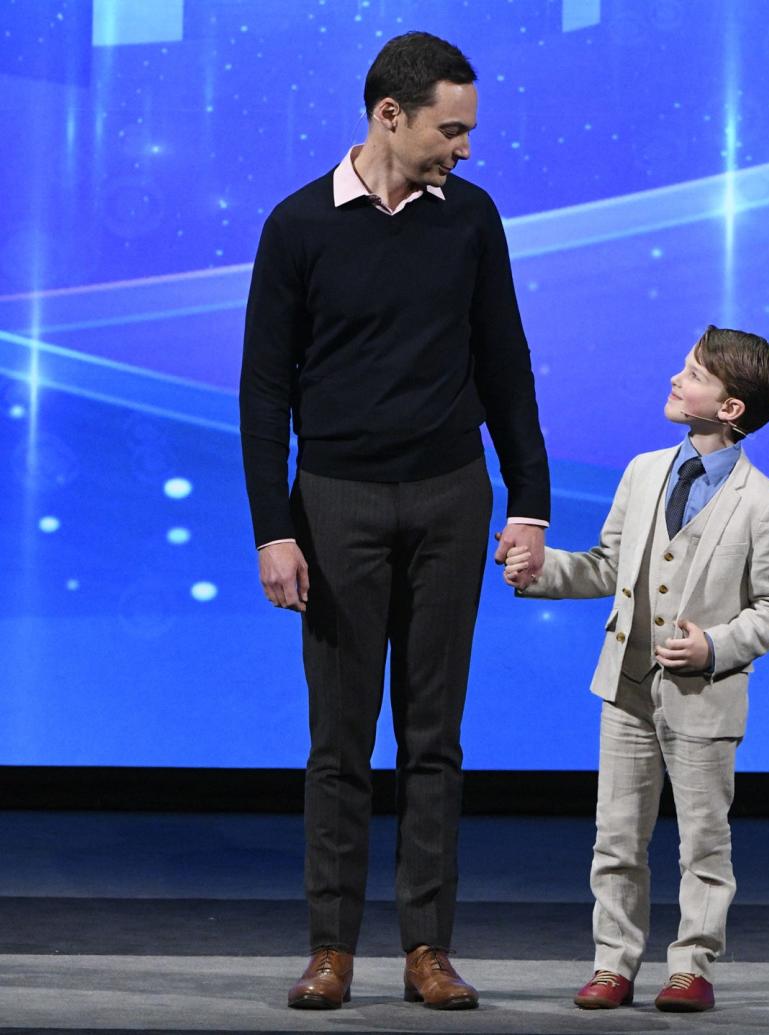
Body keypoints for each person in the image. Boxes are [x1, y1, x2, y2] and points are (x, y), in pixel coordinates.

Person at [239, 32, 549, 1011]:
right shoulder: (298, 225)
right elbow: (262, 392)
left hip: (453, 498)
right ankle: (331, 949)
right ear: (390, 116)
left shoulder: (472, 219)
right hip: (337, 504)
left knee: (434, 739)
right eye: (450, 130)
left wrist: (531, 502)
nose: (463, 149)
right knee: (339, 743)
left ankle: (428, 950)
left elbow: (506, 366)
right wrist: (272, 528)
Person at [504, 325, 769, 1012]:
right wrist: (541, 570)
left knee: (702, 841)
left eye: (694, 373)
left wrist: (716, 645)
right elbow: (608, 566)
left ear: (731, 408)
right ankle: (614, 962)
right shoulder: (642, 472)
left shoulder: (766, 503)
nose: (676, 378)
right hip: (628, 687)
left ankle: (692, 964)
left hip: (705, 697)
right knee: (616, 835)